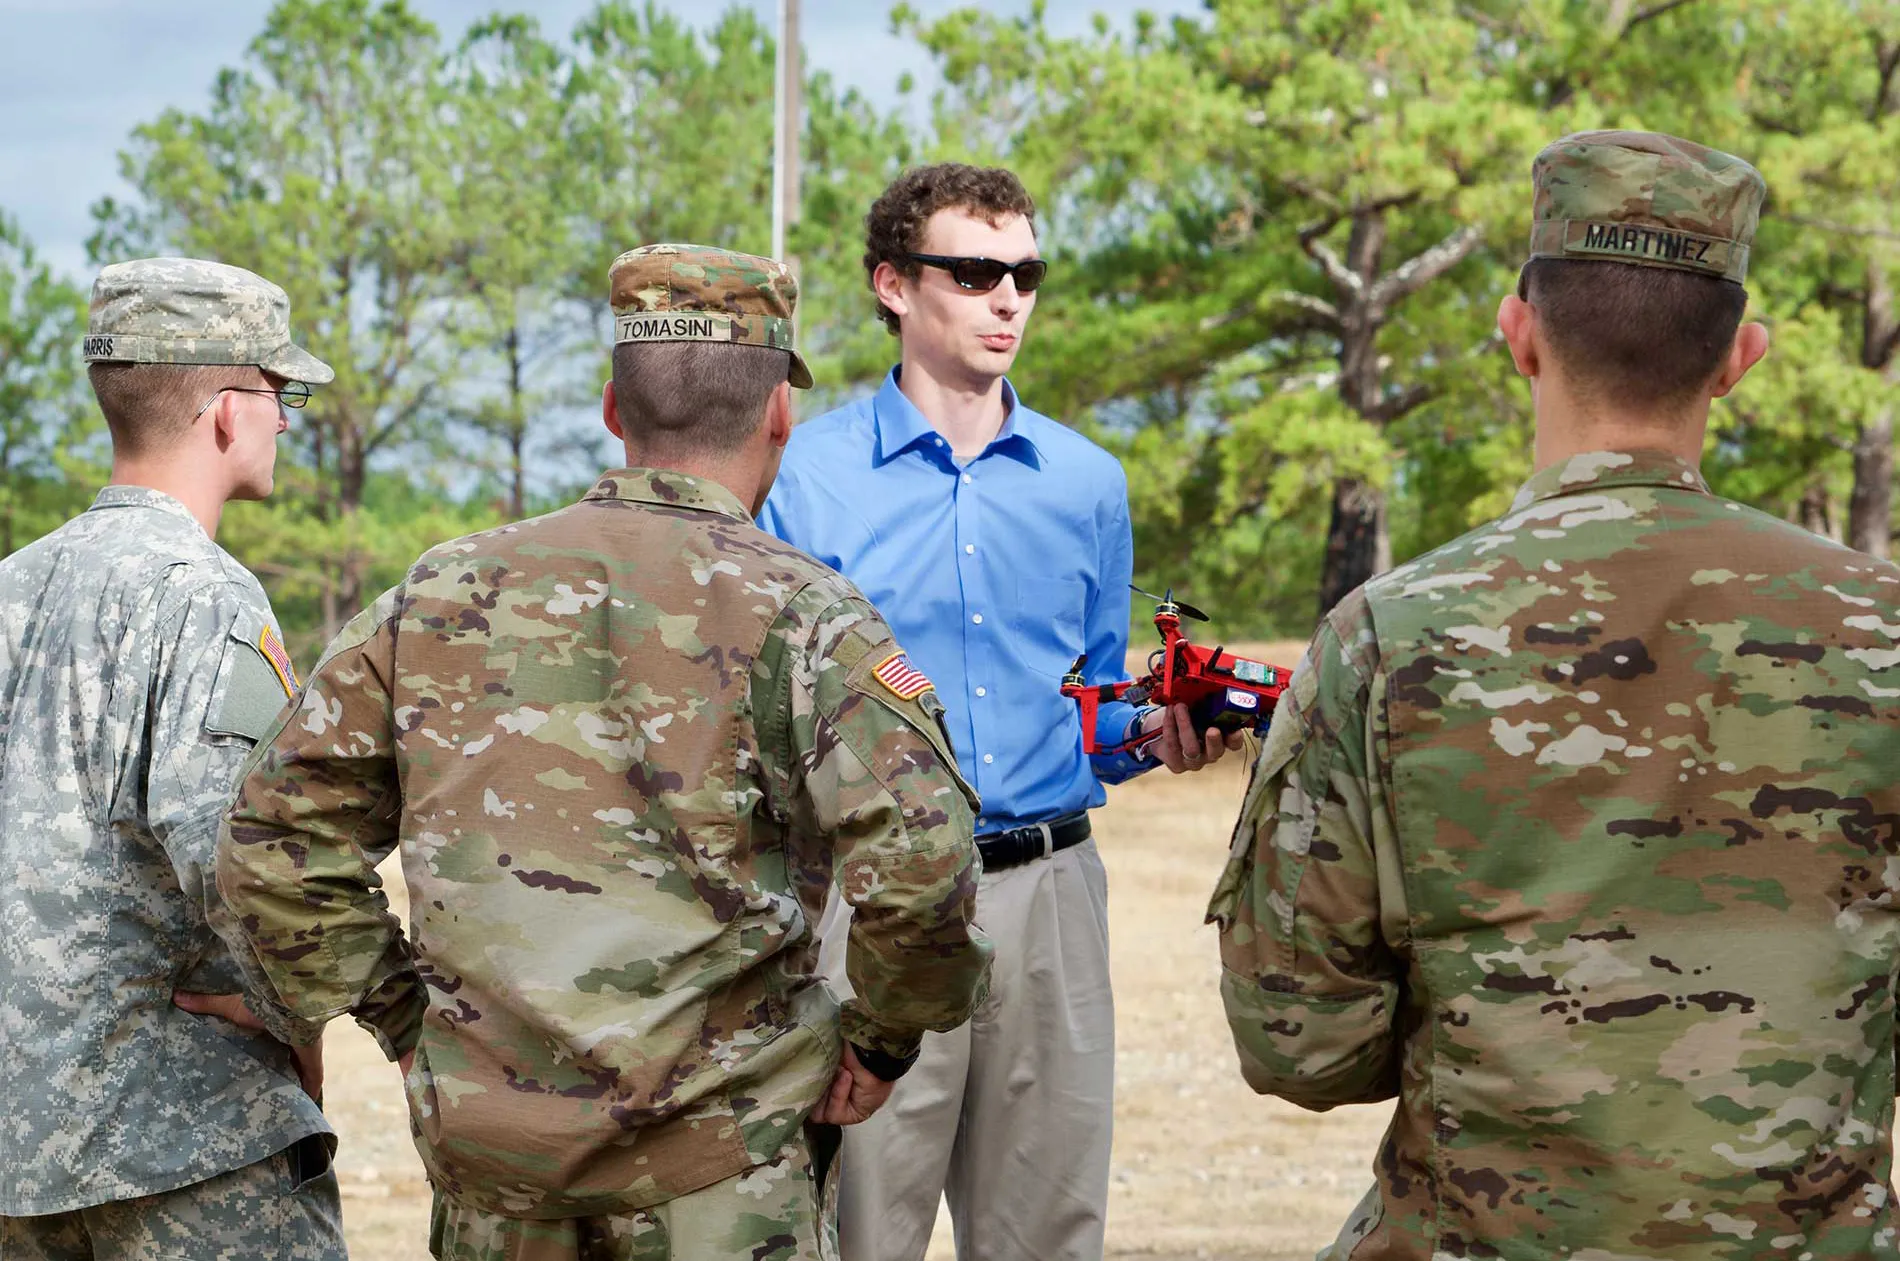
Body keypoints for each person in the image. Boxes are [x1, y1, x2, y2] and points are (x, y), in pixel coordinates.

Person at [213, 243, 994, 1261]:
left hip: (500, 1177)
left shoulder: (441, 593)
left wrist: (409, 1018)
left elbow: (274, 834)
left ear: (614, 409)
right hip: (725, 1172)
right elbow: (926, 866)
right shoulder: (808, 617)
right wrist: (882, 1038)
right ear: (777, 416)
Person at [1210, 129, 1900, 1259]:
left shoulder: (1386, 637)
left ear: (1517, 334)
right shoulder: (1883, 627)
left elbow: (1300, 1043)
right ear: (1739, 358)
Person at [759, 163, 1240, 1261]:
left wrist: (1162, 734)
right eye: (975, 272)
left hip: (1053, 900)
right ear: (891, 282)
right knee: (856, 1232)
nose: (1008, 298)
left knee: (1046, 1236)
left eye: (1025, 272)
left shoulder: (1087, 483)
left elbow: (1092, 711)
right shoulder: (806, 475)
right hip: (870, 902)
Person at [0, 258, 341, 1258]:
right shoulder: (208, 599)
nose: (288, 419)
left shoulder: (12, 590)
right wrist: (293, 1013)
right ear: (229, 412)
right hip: (184, 1146)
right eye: (282, 392)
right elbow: (250, 865)